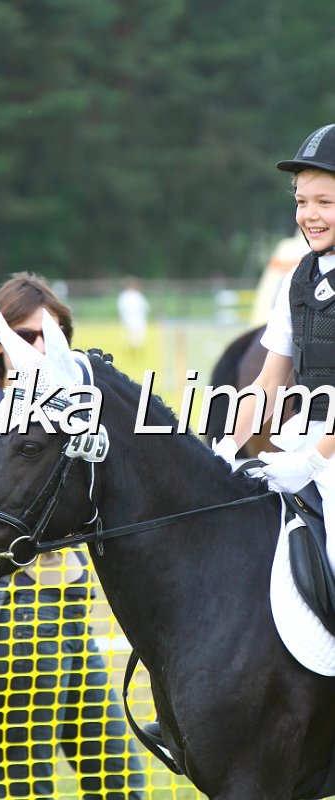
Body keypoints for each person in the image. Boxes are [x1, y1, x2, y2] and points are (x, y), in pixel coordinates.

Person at [0, 272, 147, 799]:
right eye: (28, 334)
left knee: (117, 779)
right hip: (16, 615)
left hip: (70, 605)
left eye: (52, 333)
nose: (42, 347)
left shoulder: (63, 411)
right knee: (25, 783)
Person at [213, 123, 335, 572]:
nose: (309, 215)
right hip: (307, 441)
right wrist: (226, 447)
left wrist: (314, 464)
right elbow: (267, 382)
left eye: (325, 202)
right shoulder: (296, 280)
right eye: (302, 202)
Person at [116, 277, 150, 350]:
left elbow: (144, 307)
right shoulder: (126, 295)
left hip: (136, 317)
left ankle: (136, 348)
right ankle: (132, 348)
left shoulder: (135, 295)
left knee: (137, 334)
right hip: (131, 317)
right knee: (132, 334)